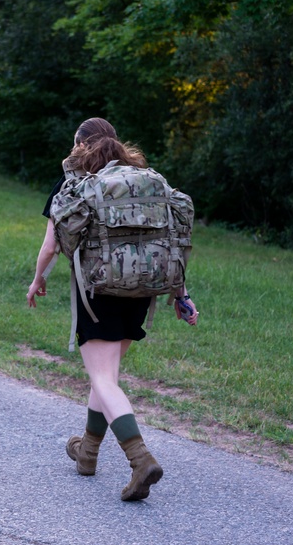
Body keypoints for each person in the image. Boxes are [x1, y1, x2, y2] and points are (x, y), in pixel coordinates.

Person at [27, 117, 198, 501]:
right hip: (143, 292)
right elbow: (172, 240)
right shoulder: (147, 182)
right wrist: (181, 294)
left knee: (104, 379)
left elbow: (52, 245)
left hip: (99, 291)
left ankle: (141, 460)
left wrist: (38, 278)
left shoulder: (75, 185)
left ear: (79, 145)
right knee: (103, 376)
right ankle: (86, 454)